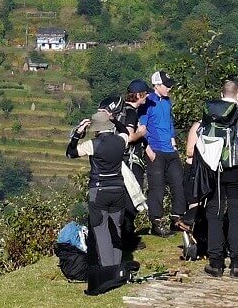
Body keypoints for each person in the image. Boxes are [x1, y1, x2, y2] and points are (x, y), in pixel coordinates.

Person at [185, 81, 238, 278]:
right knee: (236, 214)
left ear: (221, 94)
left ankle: (215, 263)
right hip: (236, 170)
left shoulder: (210, 113)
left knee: (214, 213)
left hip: (212, 169)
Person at [66, 110, 134, 295]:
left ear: (95, 129)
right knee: (116, 229)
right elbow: (126, 132)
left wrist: (78, 132)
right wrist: (114, 119)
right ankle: (118, 268)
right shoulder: (121, 140)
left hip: (99, 191)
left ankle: (108, 272)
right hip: (119, 190)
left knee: (101, 230)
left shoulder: (92, 144)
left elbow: (70, 152)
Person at [142, 72, 184, 236]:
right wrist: (148, 150)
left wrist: (173, 141)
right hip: (155, 150)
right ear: (157, 85)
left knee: (179, 183)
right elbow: (142, 128)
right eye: (166, 85)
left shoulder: (167, 102)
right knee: (157, 188)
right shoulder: (148, 102)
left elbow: (170, 122)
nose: (169, 88)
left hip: (170, 149)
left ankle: (176, 218)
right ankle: (156, 223)